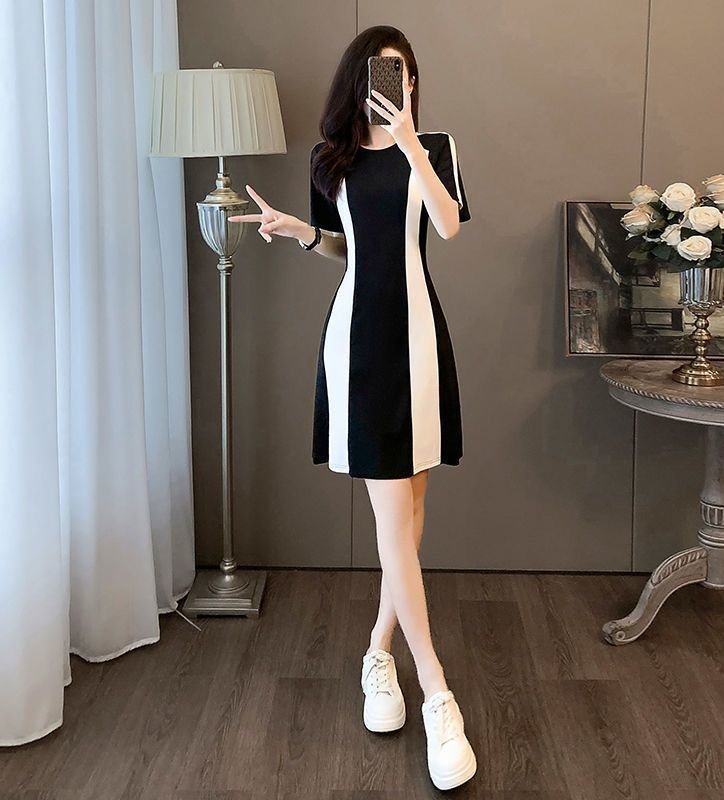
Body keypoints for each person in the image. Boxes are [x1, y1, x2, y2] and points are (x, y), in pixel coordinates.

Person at [228, 25, 475, 792]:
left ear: (413, 82)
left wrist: (409, 145)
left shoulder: (435, 148)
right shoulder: (328, 159)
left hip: (420, 342)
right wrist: (302, 231)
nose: (394, 82)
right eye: (381, 70)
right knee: (393, 520)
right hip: (359, 345)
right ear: (357, 78)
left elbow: (447, 225)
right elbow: (346, 247)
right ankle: (437, 695)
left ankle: (376, 653)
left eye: (404, 71)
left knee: (412, 509)